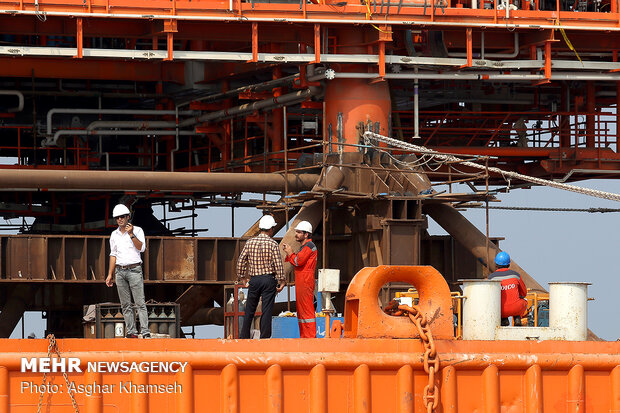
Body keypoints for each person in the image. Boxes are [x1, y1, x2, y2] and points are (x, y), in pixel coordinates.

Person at [236, 215, 286, 339]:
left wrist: (242, 278)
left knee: (249, 310)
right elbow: (278, 264)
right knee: (267, 310)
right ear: (270, 229)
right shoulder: (273, 244)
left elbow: (240, 262)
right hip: (269, 280)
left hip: (255, 279)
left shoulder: (250, 242)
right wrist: (282, 281)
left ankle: (244, 337)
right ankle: (264, 337)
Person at [105, 204, 150, 338]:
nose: (120, 219)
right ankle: (132, 332)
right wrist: (109, 274)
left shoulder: (138, 231)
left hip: (134, 269)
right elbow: (113, 255)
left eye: (122, 217)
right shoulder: (114, 235)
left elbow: (141, 248)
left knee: (140, 302)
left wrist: (131, 234)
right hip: (120, 271)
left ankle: (145, 331)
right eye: (117, 217)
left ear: (128, 217)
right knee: (125, 304)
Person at [282, 221, 318, 338]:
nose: (296, 234)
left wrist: (290, 252)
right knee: (302, 311)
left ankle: (310, 336)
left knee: (306, 310)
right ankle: (305, 336)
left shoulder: (309, 246)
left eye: (299, 232)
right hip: (302, 281)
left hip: (305, 281)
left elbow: (298, 261)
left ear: (306, 234)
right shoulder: (305, 247)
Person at [488, 251, 528, 326]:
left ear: (496, 265)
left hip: (500, 310)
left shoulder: (491, 278)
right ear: (509, 264)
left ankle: (504, 320)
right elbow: (524, 294)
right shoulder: (516, 275)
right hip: (516, 309)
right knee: (524, 301)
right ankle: (517, 318)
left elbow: (489, 297)